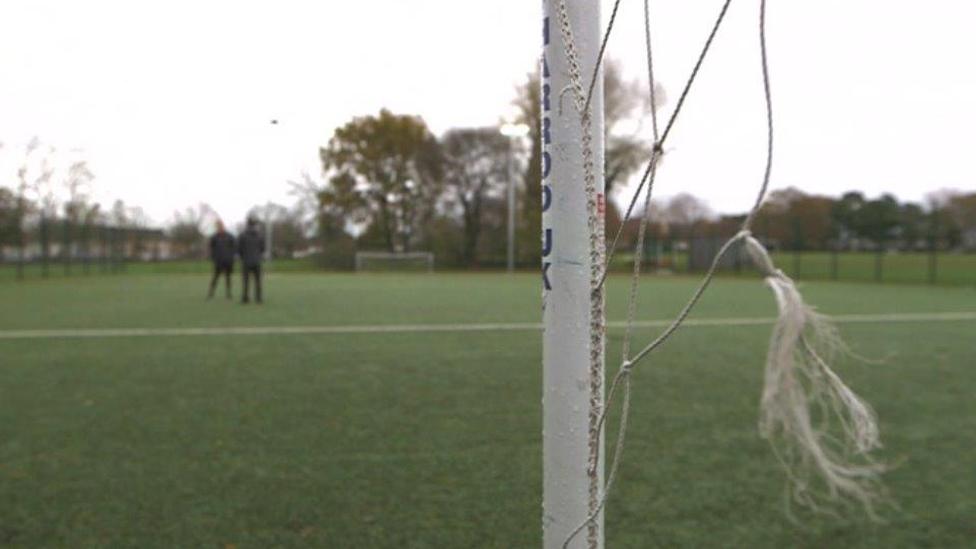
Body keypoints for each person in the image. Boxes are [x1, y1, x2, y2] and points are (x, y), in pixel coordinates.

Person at [238, 216, 266, 304]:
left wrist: (243, 256)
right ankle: (258, 298)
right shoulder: (260, 235)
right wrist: (258, 255)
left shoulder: (242, 235)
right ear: (254, 225)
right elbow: (262, 248)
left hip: (246, 260)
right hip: (257, 261)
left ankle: (245, 298)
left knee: (246, 280)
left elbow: (239, 248)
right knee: (258, 280)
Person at [207, 220, 236, 299]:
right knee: (215, 277)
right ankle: (211, 293)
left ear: (223, 226)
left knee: (228, 278)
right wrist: (214, 258)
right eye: (218, 226)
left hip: (228, 261)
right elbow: (211, 248)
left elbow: (234, 247)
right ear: (217, 227)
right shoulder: (214, 237)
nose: (220, 228)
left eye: (221, 226)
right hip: (218, 261)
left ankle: (228, 294)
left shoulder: (230, 236)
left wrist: (231, 257)